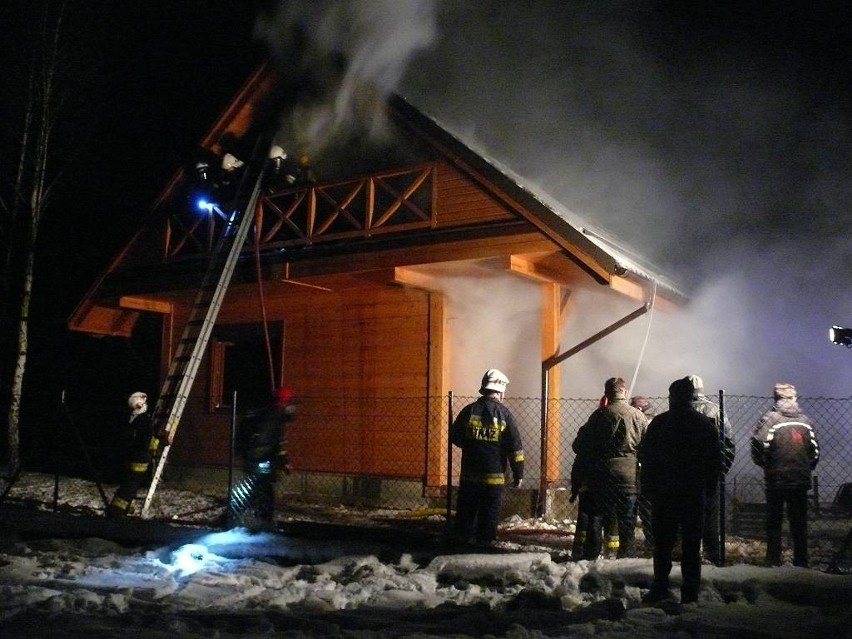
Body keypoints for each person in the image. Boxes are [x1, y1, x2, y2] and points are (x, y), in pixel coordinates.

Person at [639, 377, 722, 604]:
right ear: (692, 397)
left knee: (663, 544)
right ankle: (690, 592)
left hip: (665, 493)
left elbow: (646, 458)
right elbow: (715, 462)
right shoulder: (705, 424)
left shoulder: (659, 424)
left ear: (671, 396)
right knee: (691, 545)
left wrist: (649, 487)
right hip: (693, 493)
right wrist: (709, 489)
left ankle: (660, 587)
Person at [572, 377, 648, 558]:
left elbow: (579, 445)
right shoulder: (639, 416)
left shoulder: (599, 415)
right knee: (627, 521)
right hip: (629, 476)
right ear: (625, 392)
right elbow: (648, 447)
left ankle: (590, 557)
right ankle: (626, 557)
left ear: (606, 394)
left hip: (602, 476)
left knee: (596, 517)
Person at [451, 368, 525, 548]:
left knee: (466, 513)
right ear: (500, 391)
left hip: (469, 476)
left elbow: (455, 436)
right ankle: (484, 546)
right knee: (489, 513)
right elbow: (515, 448)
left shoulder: (469, 411)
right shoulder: (505, 414)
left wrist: (472, 446)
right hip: (494, 478)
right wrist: (518, 474)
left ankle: (459, 547)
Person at [750, 382, 820, 567]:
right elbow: (814, 451)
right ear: (794, 397)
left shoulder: (770, 419)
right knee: (799, 523)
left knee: (774, 521)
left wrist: (765, 464)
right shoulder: (805, 421)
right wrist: (807, 467)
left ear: (776, 398)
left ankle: (773, 559)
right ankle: (801, 561)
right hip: (799, 479)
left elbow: (758, 443)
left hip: (776, 479)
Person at [231, 386, 298, 530]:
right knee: (263, 489)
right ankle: (258, 520)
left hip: (255, 458)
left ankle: (240, 515)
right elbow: (274, 444)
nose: (292, 408)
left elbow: (275, 444)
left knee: (258, 488)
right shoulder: (273, 418)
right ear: (283, 402)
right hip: (261, 460)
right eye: (289, 403)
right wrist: (282, 462)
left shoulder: (268, 414)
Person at [687, 374, 736, 565]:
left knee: (687, 519)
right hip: (709, 474)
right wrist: (720, 470)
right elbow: (729, 443)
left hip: (683, 476)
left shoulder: (678, 411)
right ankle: (713, 558)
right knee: (710, 519)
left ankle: (689, 557)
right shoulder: (716, 411)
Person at [570, 395, 609, 560]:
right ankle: (604, 553)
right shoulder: (614, 426)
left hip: (587, 478)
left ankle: (580, 551)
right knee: (603, 518)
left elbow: (577, 447)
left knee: (586, 516)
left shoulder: (588, 427)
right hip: (606, 480)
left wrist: (576, 485)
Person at [106, 391, 156, 517]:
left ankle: (117, 510)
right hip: (134, 455)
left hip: (139, 457)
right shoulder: (135, 418)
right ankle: (126, 508)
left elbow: (142, 440)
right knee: (129, 483)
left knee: (130, 484)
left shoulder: (143, 420)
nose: (132, 409)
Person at [630, 395, 656, 554]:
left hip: (643, 472)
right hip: (640, 471)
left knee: (646, 510)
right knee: (644, 509)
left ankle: (650, 540)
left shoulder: (649, 423)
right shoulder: (646, 422)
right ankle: (649, 540)